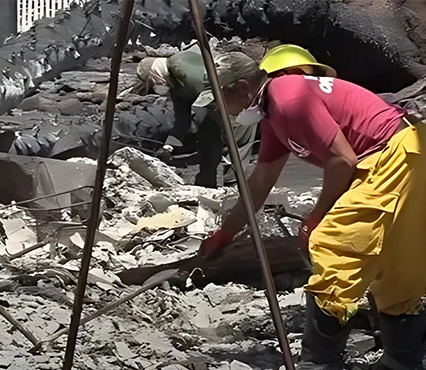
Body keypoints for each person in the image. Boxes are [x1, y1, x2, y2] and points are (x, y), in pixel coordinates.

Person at [199, 44, 426, 369]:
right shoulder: (274, 114)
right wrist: (227, 232)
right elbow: (261, 180)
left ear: (243, 88)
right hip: (411, 152)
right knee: (394, 262)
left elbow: (341, 160)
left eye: (222, 100)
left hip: (394, 156)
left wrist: (316, 217)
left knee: (333, 246)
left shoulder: (288, 98)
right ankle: (401, 362)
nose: (224, 111)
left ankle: (319, 362)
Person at [134, 47, 259, 187]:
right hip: (214, 108)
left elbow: (216, 91)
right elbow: (182, 120)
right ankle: (206, 185)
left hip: (233, 101)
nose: (154, 86)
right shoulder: (176, 87)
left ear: (154, 74)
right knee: (208, 143)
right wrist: (169, 146)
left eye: (152, 82)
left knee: (237, 142)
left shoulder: (182, 67)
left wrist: (227, 121)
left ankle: (235, 186)